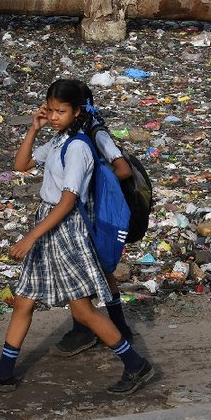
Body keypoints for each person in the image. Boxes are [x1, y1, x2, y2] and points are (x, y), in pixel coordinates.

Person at [0, 79, 158, 396]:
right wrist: (34, 128)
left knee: (82, 310)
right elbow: (21, 164)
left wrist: (30, 238)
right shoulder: (57, 141)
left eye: (61, 111)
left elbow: (68, 202)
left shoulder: (80, 147)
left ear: (77, 111)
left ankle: (136, 365)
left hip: (64, 229)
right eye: (50, 110)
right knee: (24, 301)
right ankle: (4, 372)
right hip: (47, 223)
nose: (54, 116)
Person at [51, 84, 135, 358]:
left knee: (95, 269)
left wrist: (92, 179)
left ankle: (105, 328)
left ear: (78, 110)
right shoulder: (70, 135)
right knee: (96, 269)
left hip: (91, 212)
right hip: (84, 209)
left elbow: (122, 170)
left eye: (61, 110)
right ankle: (106, 327)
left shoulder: (96, 135)